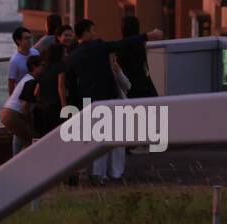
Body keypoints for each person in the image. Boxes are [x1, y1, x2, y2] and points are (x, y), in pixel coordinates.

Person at [67, 19, 165, 184]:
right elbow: (123, 43)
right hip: (106, 100)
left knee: (95, 141)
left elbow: (71, 85)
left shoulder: (73, 56)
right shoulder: (98, 47)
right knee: (110, 141)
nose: (95, 33)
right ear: (84, 33)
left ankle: (97, 175)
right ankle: (108, 174)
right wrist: (147, 35)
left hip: (86, 102)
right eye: (92, 30)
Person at [1, 51, 39, 154]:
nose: (44, 69)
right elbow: (25, 107)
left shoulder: (26, 78)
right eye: (42, 66)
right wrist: (28, 122)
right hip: (13, 114)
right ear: (34, 67)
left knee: (20, 137)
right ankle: (18, 164)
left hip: (6, 112)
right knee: (33, 139)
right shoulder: (32, 82)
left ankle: (14, 162)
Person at [7, 26, 36, 155]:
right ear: (18, 41)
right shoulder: (15, 60)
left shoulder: (35, 53)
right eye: (26, 38)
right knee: (19, 132)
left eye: (30, 38)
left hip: (34, 97)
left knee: (31, 128)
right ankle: (15, 158)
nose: (29, 41)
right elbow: (11, 82)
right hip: (21, 100)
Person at [118, 15, 158, 99]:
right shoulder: (141, 45)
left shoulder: (122, 47)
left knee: (86, 109)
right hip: (144, 86)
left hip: (131, 89)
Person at [32, 43, 67, 138]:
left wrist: (42, 104)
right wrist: (64, 107)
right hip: (57, 107)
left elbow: (36, 92)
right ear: (59, 54)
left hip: (46, 109)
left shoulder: (45, 70)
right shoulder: (62, 67)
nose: (66, 54)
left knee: (49, 137)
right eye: (65, 52)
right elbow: (61, 86)